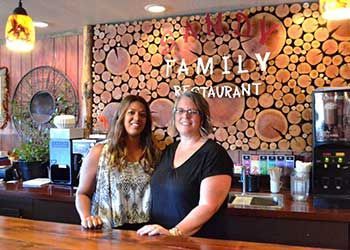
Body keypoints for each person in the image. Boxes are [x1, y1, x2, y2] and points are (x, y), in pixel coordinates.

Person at [137, 90, 233, 239]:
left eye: (192, 111)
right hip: (160, 239)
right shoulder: (169, 150)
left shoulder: (215, 154)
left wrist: (174, 232)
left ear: (202, 117)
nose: (185, 116)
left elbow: (208, 206)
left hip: (196, 242)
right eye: (180, 110)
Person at [75, 95, 159, 230]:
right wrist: (86, 217)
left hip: (145, 232)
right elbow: (82, 193)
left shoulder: (153, 154)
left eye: (142, 115)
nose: (137, 118)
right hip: (107, 232)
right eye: (131, 112)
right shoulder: (100, 152)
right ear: (121, 116)